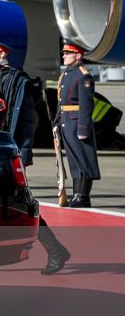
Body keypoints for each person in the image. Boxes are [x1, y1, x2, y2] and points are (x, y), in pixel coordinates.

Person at [0, 35, 71, 273]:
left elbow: (27, 121)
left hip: (2, 152)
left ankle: (55, 250)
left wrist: (22, 154)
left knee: (19, 204)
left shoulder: (13, 80)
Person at [57, 43, 101, 208]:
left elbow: (86, 105)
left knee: (83, 159)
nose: (64, 55)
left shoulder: (83, 76)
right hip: (67, 121)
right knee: (74, 160)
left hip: (77, 123)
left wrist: (83, 128)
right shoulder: (66, 75)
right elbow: (61, 102)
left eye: (68, 53)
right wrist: (57, 121)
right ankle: (77, 194)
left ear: (78, 56)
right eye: (64, 53)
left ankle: (83, 196)